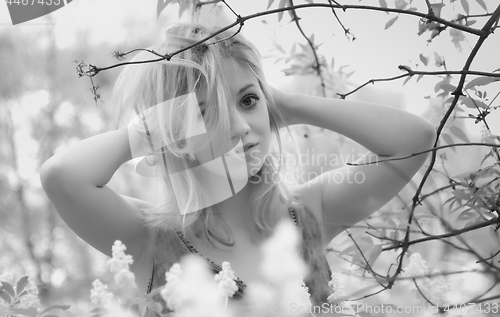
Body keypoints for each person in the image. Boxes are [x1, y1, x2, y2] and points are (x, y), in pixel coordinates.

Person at [40, 23, 436, 315]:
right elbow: (62, 176)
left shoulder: (308, 214)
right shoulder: (148, 237)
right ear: (171, 130)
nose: (240, 127)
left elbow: (413, 140)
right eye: (204, 112)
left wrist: (286, 104)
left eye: (248, 101)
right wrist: (154, 129)